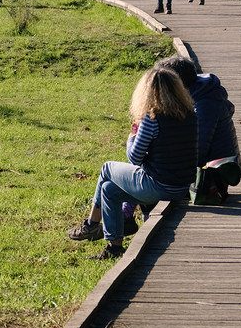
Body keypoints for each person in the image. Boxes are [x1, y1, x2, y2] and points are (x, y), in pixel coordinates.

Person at [67, 66, 197, 261]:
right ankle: (114, 247)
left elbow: (134, 158)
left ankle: (91, 225)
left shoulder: (152, 118)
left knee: (107, 168)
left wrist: (132, 136)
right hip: (182, 187)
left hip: (157, 186)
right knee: (109, 189)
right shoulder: (190, 115)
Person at [158, 55, 241, 203]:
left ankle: (127, 214)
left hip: (210, 178)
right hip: (209, 171)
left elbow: (198, 149)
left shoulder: (205, 104)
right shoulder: (199, 95)